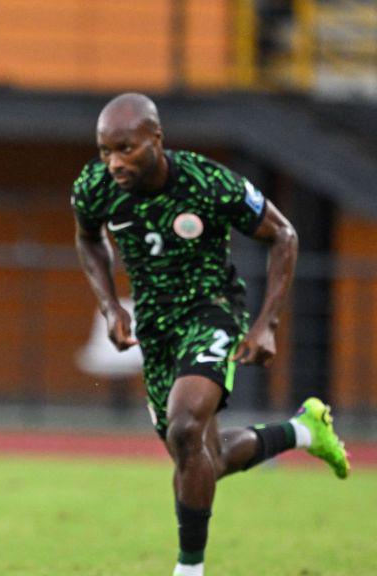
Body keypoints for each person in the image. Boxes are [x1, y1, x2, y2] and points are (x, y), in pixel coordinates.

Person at [71, 93, 349, 576]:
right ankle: (306, 429)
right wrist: (111, 304)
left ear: (156, 139)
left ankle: (189, 569)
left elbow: (284, 235)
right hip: (155, 329)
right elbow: (88, 236)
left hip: (212, 311)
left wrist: (266, 324)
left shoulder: (208, 182)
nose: (113, 163)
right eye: (104, 151)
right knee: (202, 458)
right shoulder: (95, 187)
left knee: (185, 428)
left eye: (125, 149)